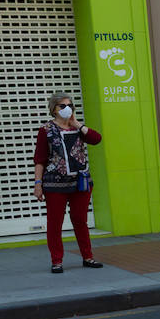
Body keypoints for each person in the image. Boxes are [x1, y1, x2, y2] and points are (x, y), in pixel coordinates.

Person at [33, 93, 103, 273]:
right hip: (55, 184)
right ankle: (57, 260)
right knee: (55, 222)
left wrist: (78, 124)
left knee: (80, 220)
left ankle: (88, 257)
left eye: (70, 105)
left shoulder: (79, 128)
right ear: (53, 109)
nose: (67, 109)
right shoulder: (46, 130)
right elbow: (40, 159)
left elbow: (96, 139)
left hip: (80, 182)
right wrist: (38, 183)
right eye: (62, 106)